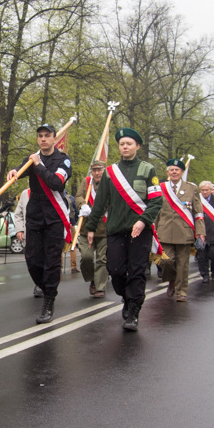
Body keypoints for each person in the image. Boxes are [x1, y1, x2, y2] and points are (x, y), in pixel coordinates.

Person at [84, 128, 162, 331]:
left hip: (140, 231)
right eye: (122, 144)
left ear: (137, 146)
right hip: (116, 230)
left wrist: (143, 221)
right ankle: (126, 297)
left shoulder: (148, 170)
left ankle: (133, 311)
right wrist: (90, 227)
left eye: (129, 143)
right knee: (115, 270)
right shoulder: (110, 172)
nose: (125, 147)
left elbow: (156, 201)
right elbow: (100, 203)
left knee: (136, 272)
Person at [7, 123, 72, 324]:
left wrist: (39, 165)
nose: (43, 139)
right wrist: (14, 171)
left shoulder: (63, 160)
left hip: (54, 217)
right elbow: (20, 170)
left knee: (52, 261)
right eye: (40, 136)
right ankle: (45, 286)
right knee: (33, 259)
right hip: (34, 215)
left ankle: (49, 300)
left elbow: (56, 183)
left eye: (47, 135)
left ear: (54, 138)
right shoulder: (32, 158)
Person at [155, 158, 205, 302]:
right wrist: (153, 231)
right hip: (164, 231)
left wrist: (200, 232)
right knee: (166, 262)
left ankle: (182, 291)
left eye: (177, 170)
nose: (174, 172)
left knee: (183, 264)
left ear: (182, 172)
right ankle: (171, 279)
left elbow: (198, 211)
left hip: (184, 231)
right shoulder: (161, 187)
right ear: (167, 172)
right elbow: (156, 211)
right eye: (172, 169)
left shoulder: (191, 188)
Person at [78, 160, 109, 298]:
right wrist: (83, 205)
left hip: (104, 228)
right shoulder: (87, 181)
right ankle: (92, 279)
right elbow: (78, 196)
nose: (97, 173)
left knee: (102, 259)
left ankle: (100, 286)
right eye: (94, 170)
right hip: (86, 227)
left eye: (99, 170)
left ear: (104, 170)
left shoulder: (109, 182)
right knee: (86, 257)